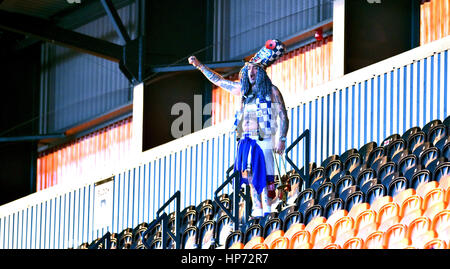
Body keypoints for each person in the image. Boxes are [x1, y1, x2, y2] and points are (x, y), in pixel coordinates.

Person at [188, 39, 289, 219]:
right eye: (248, 69)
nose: (251, 72)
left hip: (264, 137)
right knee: (249, 175)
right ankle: (257, 208)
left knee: (264, 173)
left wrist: (281, 139)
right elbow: (219, 81)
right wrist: (200, 66)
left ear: (261, 72)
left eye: (254, 69)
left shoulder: (271, 90)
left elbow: (283, 115)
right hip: (245, 139)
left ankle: (267, 206)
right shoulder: (242, 92)